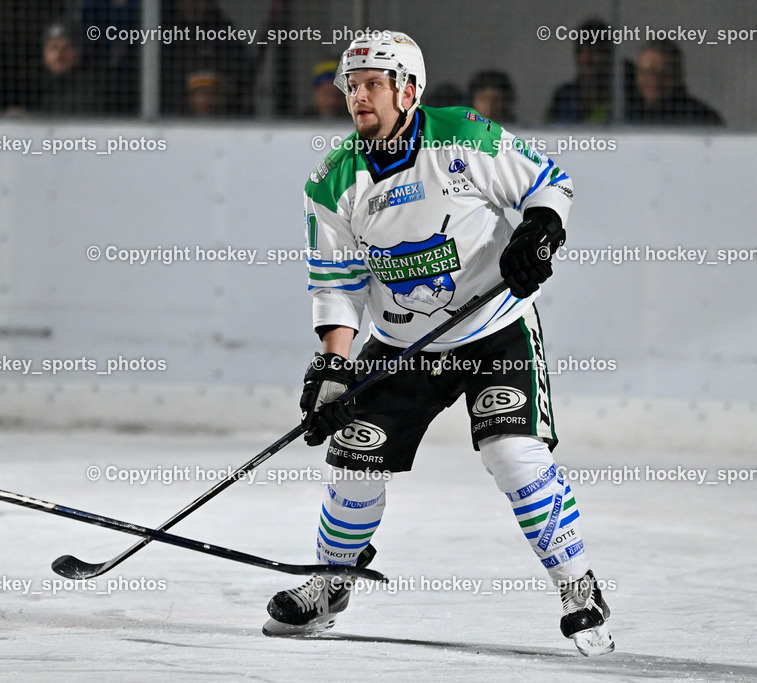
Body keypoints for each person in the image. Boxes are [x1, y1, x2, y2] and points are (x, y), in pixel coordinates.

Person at [262, 30, 614, 657]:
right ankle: (332, 581)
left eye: (372, 84)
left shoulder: (461, 135)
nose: (358, 97)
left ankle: (577, 585)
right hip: (400, 345)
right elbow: (339, 287)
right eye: (352, 86)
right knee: (353, 463)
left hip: (493, 331)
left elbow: (549, 184)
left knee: (513, 456)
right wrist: (335, 368)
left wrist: (538, 232)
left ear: (409, 89)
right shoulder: (331, 182)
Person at [545, 17, 637, 124]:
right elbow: (547, 129)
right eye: (582, 50)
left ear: (609, 55)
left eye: (594, 50)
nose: (587, 57)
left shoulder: (624, 96)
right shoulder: (564, 96)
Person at [627, 39, 722, 125]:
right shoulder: (626, 116)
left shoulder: (702, 118)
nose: (653, 80)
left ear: (677, 75)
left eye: (663, 73)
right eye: (646, 73)